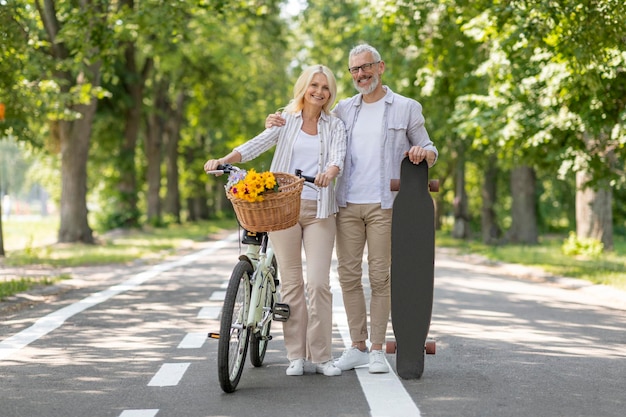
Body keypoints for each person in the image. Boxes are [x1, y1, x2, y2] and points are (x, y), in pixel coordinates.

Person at [265, 44, 438, 374]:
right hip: (345, 205)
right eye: (354, 70)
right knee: (347, 276)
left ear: (381, 67)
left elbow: (429, 148)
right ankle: (357, 347)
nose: (361, 74)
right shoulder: (344, 109)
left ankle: (376, 349)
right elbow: (309, 119)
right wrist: (277, 119)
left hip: (384, 205)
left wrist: (422, 153)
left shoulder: (406, 108)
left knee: (380, 275)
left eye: (366, 67)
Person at [204, 65, 347, 377]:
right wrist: (224, 161)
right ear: (304, 87)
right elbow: (257, 143)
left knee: (319, 284)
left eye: (325, 87)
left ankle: (321, 356)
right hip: (283, 207)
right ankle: (296, 355)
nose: (319, 92)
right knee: (292, 283)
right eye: (314, 85)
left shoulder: (334, 125)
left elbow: (338, 156)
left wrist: (330, 172)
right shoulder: (286, 119)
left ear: (330, 93)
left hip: (320, 208)